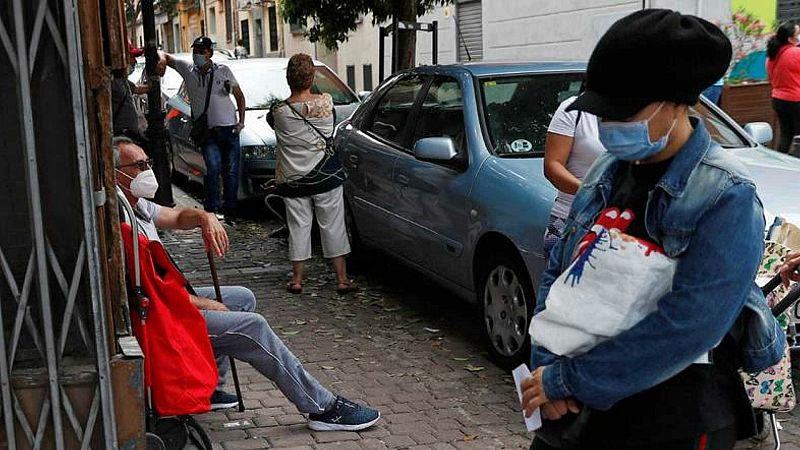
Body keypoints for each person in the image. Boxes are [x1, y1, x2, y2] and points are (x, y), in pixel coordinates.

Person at [521, 9, 785, 450]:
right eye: (601, 112)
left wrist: (569, 379)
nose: (608, 126)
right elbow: (561, 270)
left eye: (622, 111)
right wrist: (544, 369)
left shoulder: (725, 195)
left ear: (677, 104)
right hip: (579, 409)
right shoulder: (606, 171)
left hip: (673, 418)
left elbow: (691, 324)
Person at [112, 136, 380, 431]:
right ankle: (320, 406)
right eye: (139, 165)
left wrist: (203, 216)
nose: (148, 170)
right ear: (117, 174)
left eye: (148, 162)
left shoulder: (137, 204)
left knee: (242, 297)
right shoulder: (120, 216)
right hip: (160, 312)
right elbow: (150, 290)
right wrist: (203, 303)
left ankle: (209, 386)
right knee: (252, 325)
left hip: (168, 299)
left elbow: (175, 216)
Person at [267, 53, 357, 296]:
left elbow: (274, 125)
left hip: (294, 181)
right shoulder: (327, 104)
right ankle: (341, 279)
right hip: (326, 177)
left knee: (298, 227)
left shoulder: (278, 112)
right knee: (334, 225)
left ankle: (297, 280)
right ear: (311, 78)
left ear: (288, 79)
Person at [157, 36, 246, 217]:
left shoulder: (223, 71)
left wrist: (241, 122)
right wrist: (161, 61)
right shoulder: (187, 69)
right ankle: (211, 210)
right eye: (195, 51)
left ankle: (230, 210)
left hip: (230, 129)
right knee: (213, 167)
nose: (197, 54)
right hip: (208, 132)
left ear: (210, 53)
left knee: (231, 171)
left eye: (201, 51)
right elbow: (165, 54)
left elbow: (239, 96)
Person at [542, 95, 604, 256]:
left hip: (621, 223)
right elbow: (552, 166)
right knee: (561, 278)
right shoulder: (573, 109)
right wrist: (592, 192)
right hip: (569, 220)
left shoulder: (647, 110)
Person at [767, 22, 800, 154]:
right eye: (798, 34)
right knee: (798, 137)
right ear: (790, 38)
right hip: (796, 100)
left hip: (778, 99)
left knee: (786, 135)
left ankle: (781, 161)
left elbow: (770, 76)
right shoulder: (796, 53)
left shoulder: (772, 55)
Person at [111, 42, 149, 141]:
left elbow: (136, 89)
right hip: (121, 136)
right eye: (132, 57)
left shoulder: (123, 80)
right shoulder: (114, 81)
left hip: (128, 135)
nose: (135, 61)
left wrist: (150, 85)